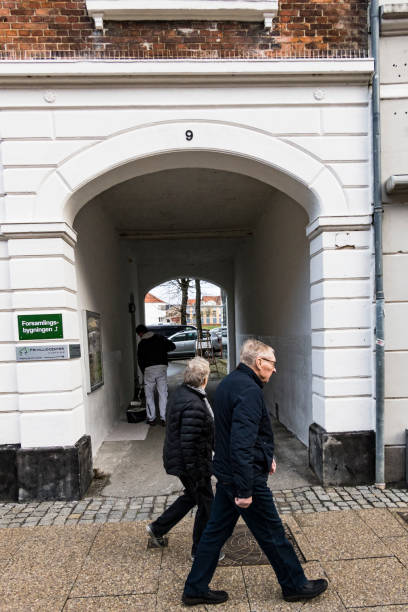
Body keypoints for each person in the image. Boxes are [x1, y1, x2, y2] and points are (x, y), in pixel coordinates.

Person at [182, 339, 328, 607]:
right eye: (272, 364)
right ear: (259, 362)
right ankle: (295, 585)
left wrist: (265, 455)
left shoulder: (229, 383)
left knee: (214, 532)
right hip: (243, 477)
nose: (275, 370)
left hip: (229, 473)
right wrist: (245, 489)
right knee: (273, 532)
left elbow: (229, 434)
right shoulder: (249, 390)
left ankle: (195, 588)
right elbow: (240, 442)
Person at [146, 357, 223, 561]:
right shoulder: (194, 404)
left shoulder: (184, 393)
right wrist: (198, 472)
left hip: (184, 460)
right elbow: (189, 443)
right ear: (204, 379)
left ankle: (157, 528)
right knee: (207, 505)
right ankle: (200, 551)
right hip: (191, 464)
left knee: (192, 497)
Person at [136, 324, 176, 426]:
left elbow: (140, 360)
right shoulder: (160, 338)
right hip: (162, 368)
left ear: (140, 333)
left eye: (139, 335)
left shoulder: (142, 344)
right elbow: (172, 346)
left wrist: (144, 372)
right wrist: (162, 350)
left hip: (149, 370)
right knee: (163, 393)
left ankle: (151, 419)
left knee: (149, 394)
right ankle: (164, 418)